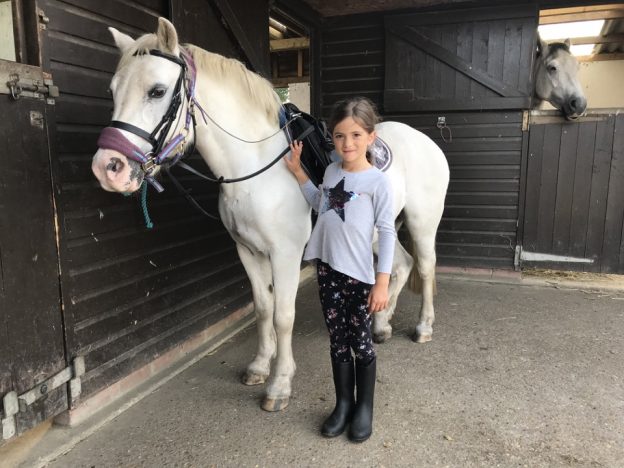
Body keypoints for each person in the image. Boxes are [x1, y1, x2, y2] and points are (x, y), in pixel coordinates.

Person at [283, 97, 396, 442]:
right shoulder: (331, 172)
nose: (347, 143)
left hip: (360, 276)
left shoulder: (378, 183)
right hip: (327, 270)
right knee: (337, 341)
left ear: (371, 137)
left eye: (356, 135)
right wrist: (299, 171)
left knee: (360, 342)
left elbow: (388, 231)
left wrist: (382, 283)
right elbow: (321, 202)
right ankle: (343, 403)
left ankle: (365, 408)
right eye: (340, 136)